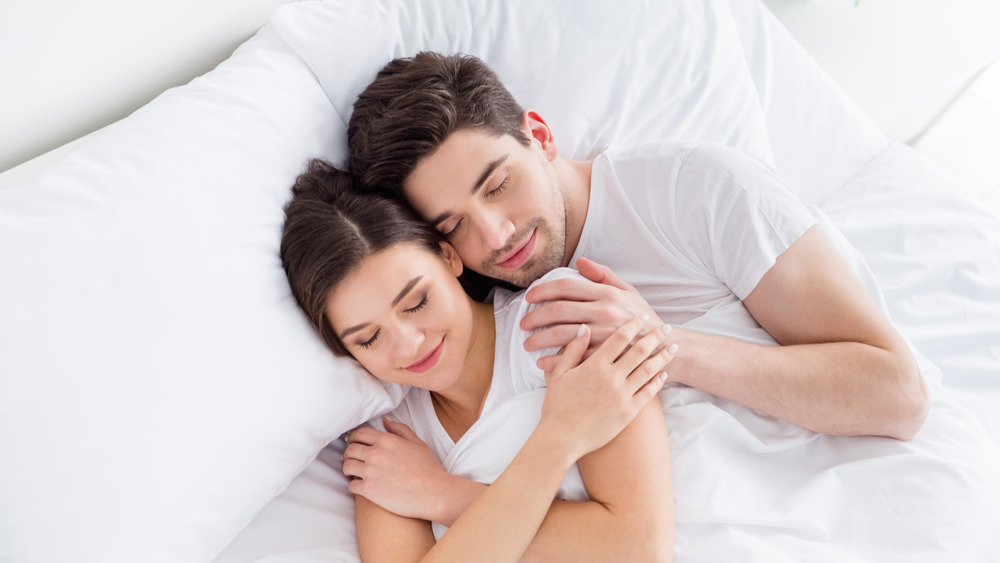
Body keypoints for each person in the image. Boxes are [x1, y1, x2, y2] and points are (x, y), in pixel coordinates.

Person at [346, 51, 929, 440]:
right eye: (453, 228)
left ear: (540, 137)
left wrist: (660, 345)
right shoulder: (476, 310)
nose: (495, 236)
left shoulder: (698, 188)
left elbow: (897, 393)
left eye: (499, 185)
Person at [280, 160, 676, 562]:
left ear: (448, 257)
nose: (410, 345)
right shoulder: (386, 439)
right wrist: (558, 439)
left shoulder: (558, 316)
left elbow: (639, 546)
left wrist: (438, 494)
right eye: (369, 339)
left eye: (417, 302)